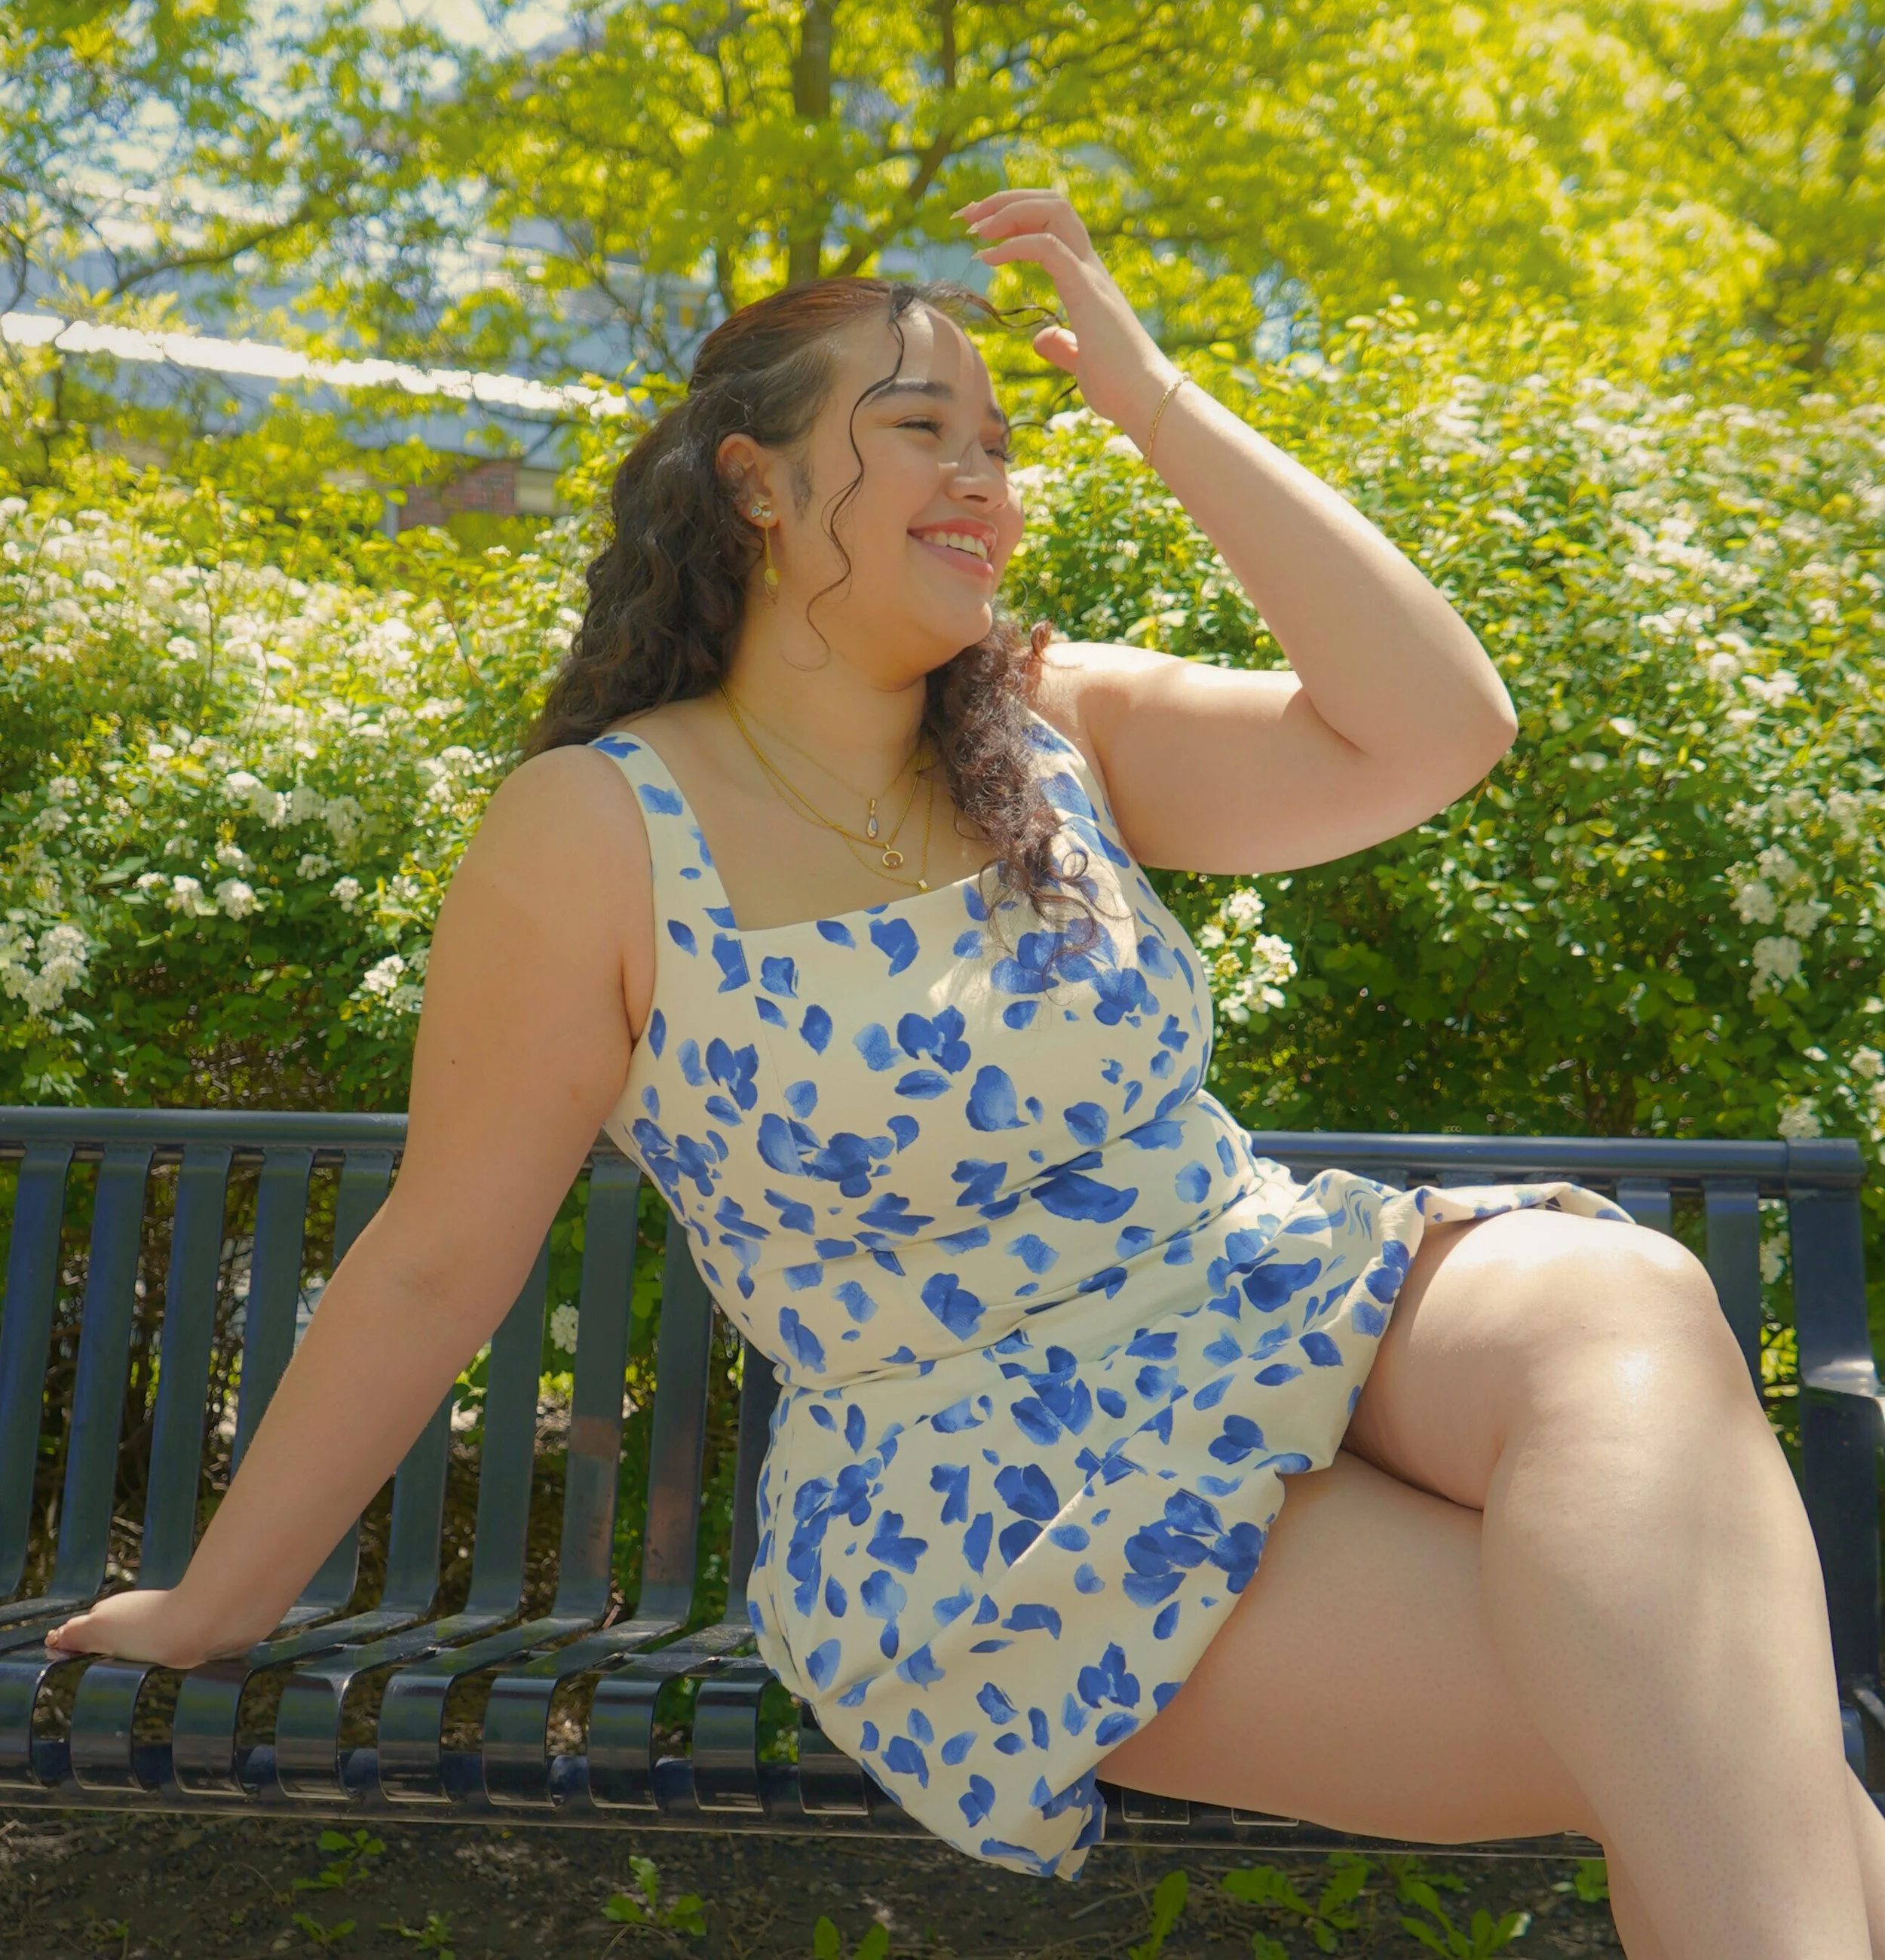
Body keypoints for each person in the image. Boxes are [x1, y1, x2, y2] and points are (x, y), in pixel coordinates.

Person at [47, 190, 1882, 1954]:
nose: (985, 478)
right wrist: (220, 1601)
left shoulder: (1054, 724)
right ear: (754, 483)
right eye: (922, 428)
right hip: (990, 1482)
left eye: (1002, 444)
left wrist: (1154, 401)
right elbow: (441, 1258)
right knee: (1727, 1744)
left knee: (1625, 1310)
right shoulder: (595, 831)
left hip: (1271, 1283)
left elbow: (1434, 732)